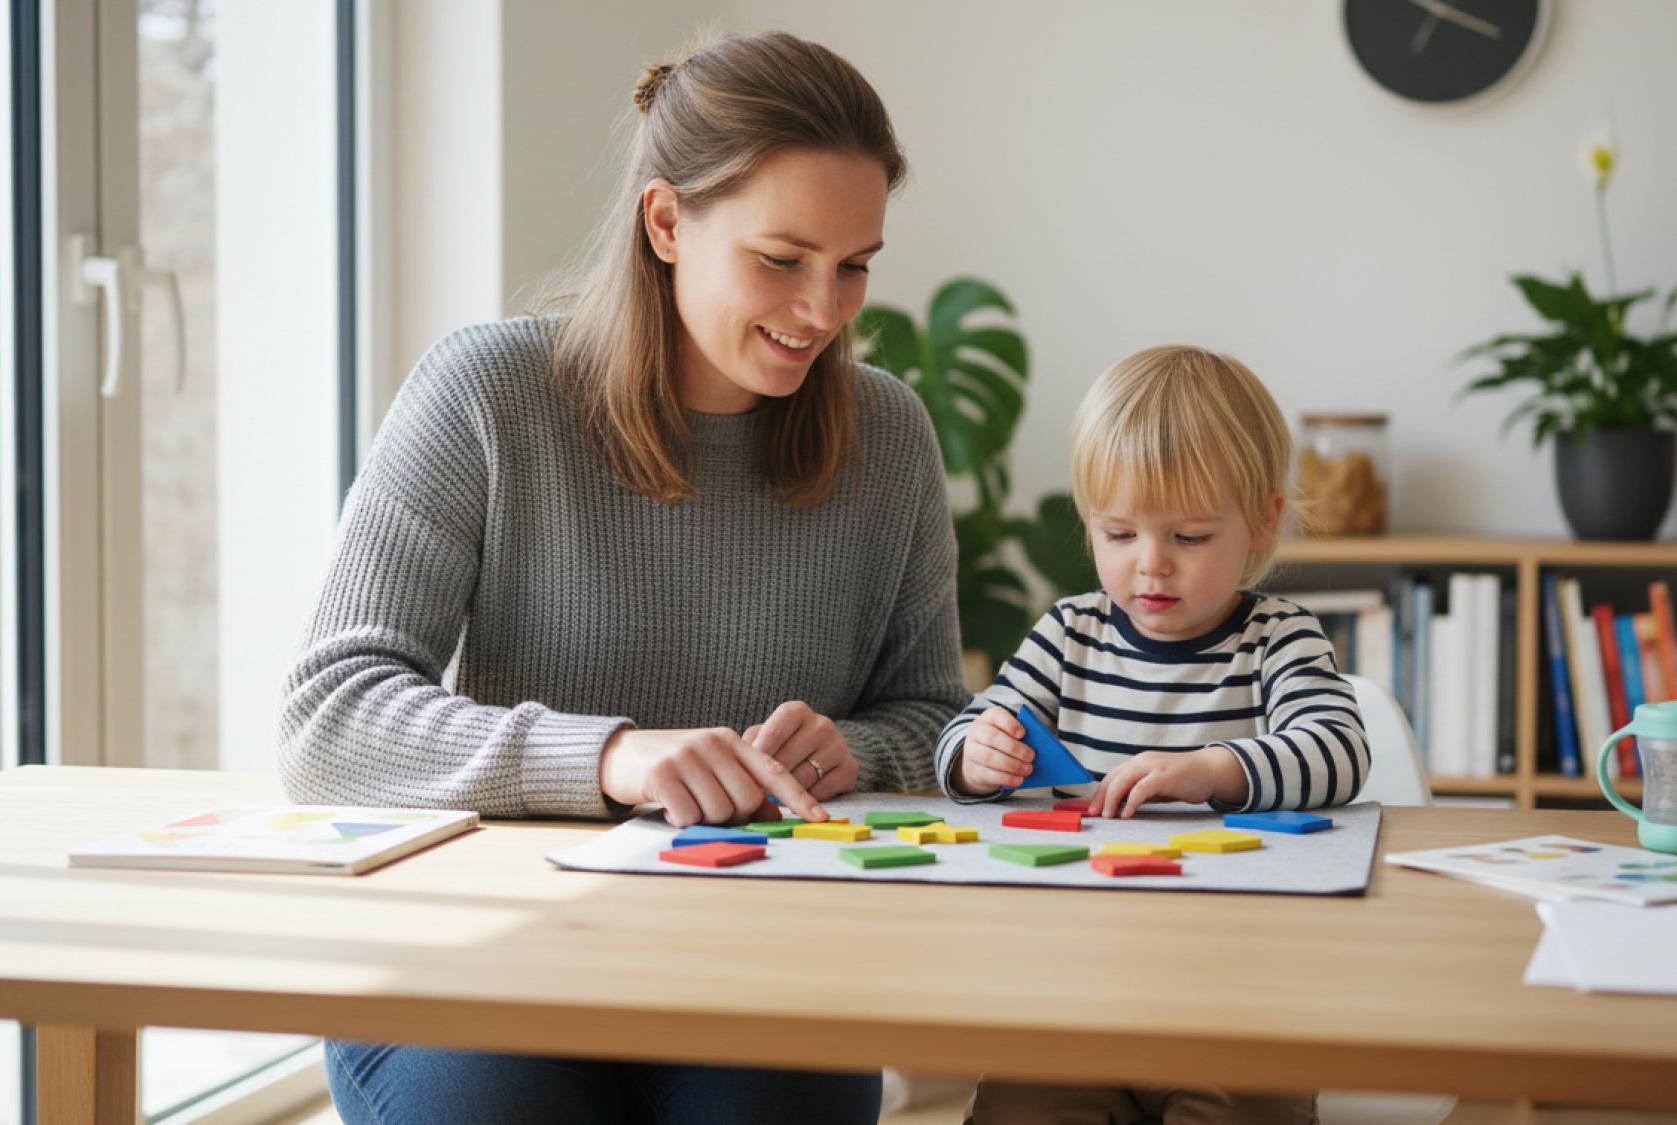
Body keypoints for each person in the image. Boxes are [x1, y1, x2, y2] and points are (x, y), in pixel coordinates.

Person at [278, 31, 966, 1125]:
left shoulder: (886, 435)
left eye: (855, 264)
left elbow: (936, 719)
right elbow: (330, 717)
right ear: (664, 223)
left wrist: (857, 750)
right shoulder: (486, 395)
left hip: (758, 960)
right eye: (782, 259)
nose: (824, 310)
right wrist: (606, 755)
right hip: (481, 960)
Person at [935, 345, 1369, 1125]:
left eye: (1191, 537)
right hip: (1076, 995)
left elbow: (1337, 749)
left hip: (1243, 1002)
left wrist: (1210, 768)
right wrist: (975, 754)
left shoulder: (1279, 637)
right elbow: (970, 725)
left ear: (1263, 521)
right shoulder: (1068, 633)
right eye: (1119, 532)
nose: (1150, 566)